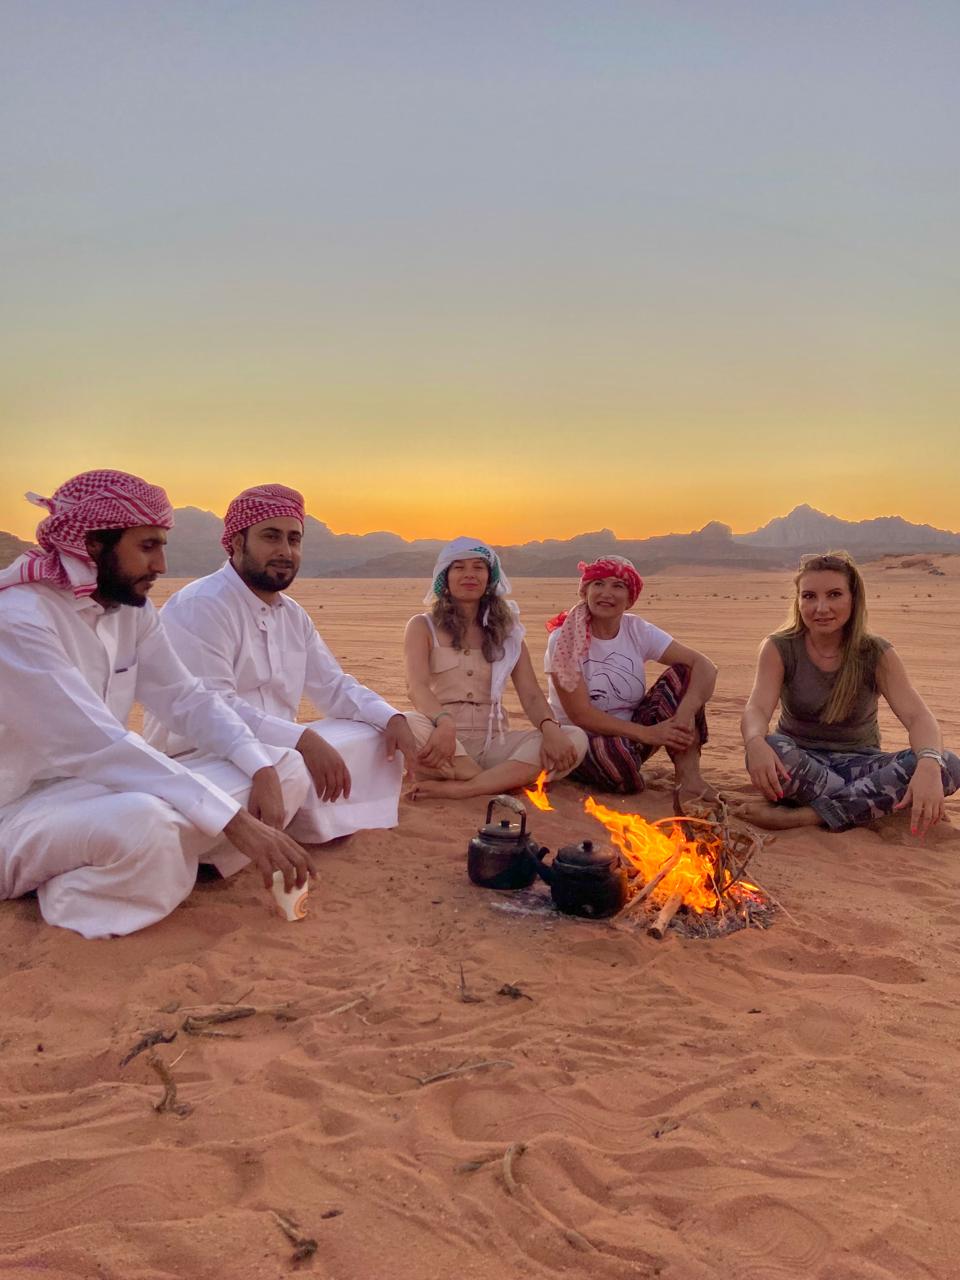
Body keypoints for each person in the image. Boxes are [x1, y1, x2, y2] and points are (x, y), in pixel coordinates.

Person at [0, 470, 313, 939]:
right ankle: (73, 890)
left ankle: (168, 863)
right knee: (146, 824)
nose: (162, 565)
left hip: (107, 790)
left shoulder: (132, 611)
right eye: (147, 546)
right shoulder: (21, 619)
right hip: (20, 809)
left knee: (284, 765)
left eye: (163, 546)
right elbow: (95, 744)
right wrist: (231, 820)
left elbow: (186, 698)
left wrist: (257, 764)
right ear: (93, 544)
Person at [146, 483, 417, 842]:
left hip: (277, 749)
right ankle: (227, 843)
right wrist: (301, 739)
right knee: (287, 768)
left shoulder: (292, 615)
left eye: (294, 539)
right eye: (271, 537)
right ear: (238, 541)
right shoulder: (203, 604)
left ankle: (321, 821)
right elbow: (213, 709)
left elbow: (333, 685)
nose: (285, 551)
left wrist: (391, 717)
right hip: (202, 755)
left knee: (371, 733)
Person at [740, 550, 960, 834]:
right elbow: (757, 708)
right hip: (801, 764)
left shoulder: (876, 652)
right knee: (771, 749)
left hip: (861, 763)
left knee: (948, 764)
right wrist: (754, 742)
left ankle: (810, 816)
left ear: (853, 599)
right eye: (809, 596)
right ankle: (867, 804)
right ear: (798, 601)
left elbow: (918, 716)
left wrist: (929, 763)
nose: (821, 608)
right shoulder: (779, 647)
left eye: (834, 595)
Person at [403, 537, 587, 799]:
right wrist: (443, 724)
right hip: (444, 741)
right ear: (445, 577)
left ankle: (467, 787)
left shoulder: (508, 631)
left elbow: (531, 694)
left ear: (490, 577)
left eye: (478, 567)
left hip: (494, 744)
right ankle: (501, 780)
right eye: (459, 567)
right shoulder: (423, 626)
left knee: (574, 738)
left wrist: (550, 728)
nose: (469, 574)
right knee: (405, 723)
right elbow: (416, 687)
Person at [544, 555, 718, 806]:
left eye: (618, 586)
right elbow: (580, 714)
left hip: (633, 737)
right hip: (582, 739)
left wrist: (684, 713)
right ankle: (622, 772)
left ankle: (689, 778)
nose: (607, 593)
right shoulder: (565, 639)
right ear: (585, 591)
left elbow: (705, 666)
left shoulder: (636, 630)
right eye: (598, 584)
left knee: (686, 675)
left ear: (630, 598)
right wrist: (647, 734)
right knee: (618, 763)